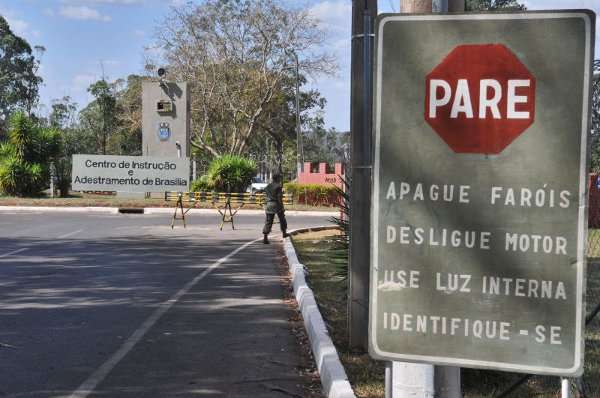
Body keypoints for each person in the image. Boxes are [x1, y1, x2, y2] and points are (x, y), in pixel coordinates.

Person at [262, 172, 288, 244]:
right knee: (282, 219)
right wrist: (282, 207)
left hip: (269, 205)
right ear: (277, 178)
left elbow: (266, 196)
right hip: (276, 204)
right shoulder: (278, 186)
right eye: (279, 178)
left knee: (268, 221)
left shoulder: (268, 186)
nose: (280, 179)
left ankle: (265, 237)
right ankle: (284, 233)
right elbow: (279, 198)